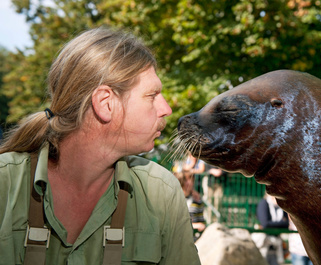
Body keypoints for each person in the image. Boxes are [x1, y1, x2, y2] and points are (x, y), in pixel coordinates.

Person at [0, 27, 200, 265]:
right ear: (106, 103)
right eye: (152, 95)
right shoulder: (5, 185)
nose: (166, 109)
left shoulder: (160, 192)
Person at [252, 193, 289, 265]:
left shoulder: (280, 206)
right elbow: (265, 224)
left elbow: (286, 224)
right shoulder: (264, 203)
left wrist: (272, 224)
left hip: (276, 244)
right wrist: (281, 223)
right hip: (264, 243)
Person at [174, 170, 206, 241]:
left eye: (192, 179)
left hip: (193, 239)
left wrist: (201, 226)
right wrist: (194, 225)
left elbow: (201, 219)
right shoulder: (174, 199)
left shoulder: (197, 199)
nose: (190, 182)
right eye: (186, 180)